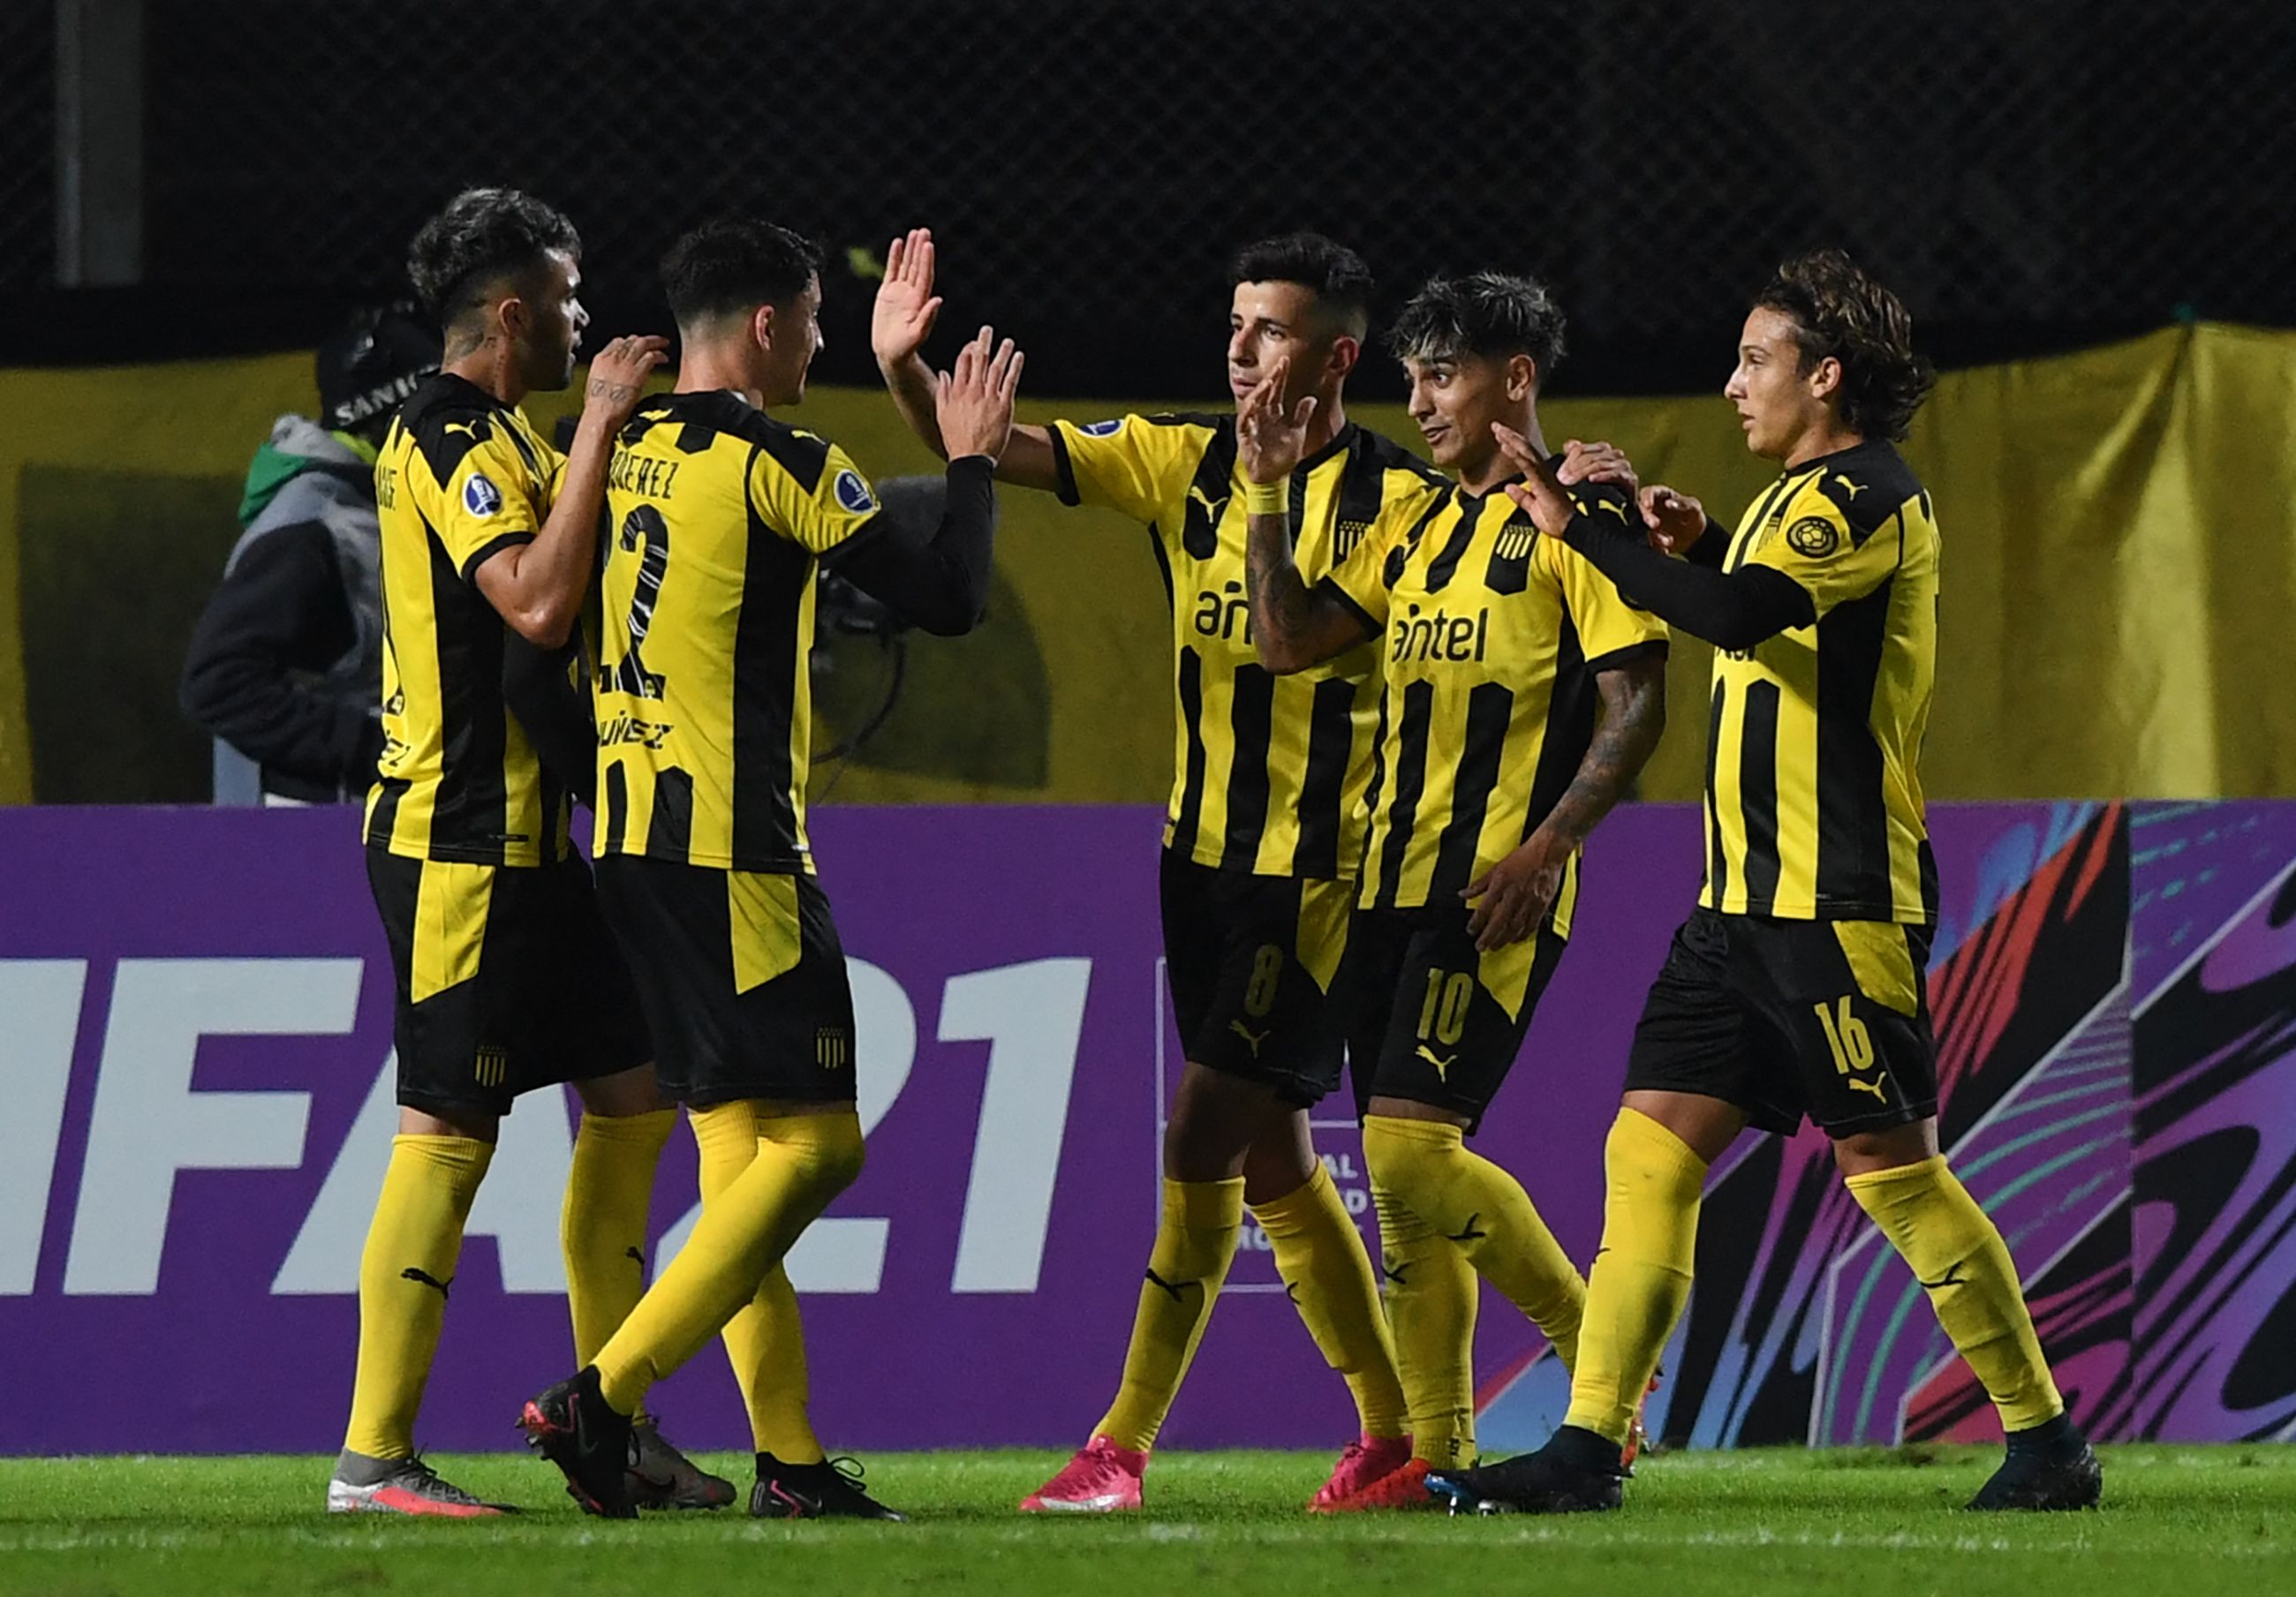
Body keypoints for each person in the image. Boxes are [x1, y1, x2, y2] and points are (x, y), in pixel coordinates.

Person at [1428, 250, 2102, 1515]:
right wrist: (1686, 538)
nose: (1735, 383)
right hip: (1740, 911)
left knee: (1895, 1174)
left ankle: (2047, 1439)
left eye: (1756, 359)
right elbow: (1753, 603)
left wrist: (1590, 530)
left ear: (1825, 375)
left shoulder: (1858, 494)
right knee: (1649, 1151)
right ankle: (1588, 1447)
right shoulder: (1804, 503)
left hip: (1835, 904)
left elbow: (1736, 620)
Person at [874, 229, 1435, 1513]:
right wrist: (910, 373)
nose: (1240, 350)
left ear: (1339, 355)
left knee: (1200, 1139)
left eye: (1273, 331)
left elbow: (1291, 642)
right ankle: (1392, 1432)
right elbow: (982, 452)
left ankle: (1119, 1446)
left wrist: (1277, 492)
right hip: (1202, 863)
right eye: (1234, 324)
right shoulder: (1180, 455)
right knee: (1280, 1159)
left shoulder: (1393, 507)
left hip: (1317, 878)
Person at [516, 219, 1018, 1521]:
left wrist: (619, 780)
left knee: (744, 1170)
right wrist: (968, 461)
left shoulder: (608, 453)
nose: (816, 340)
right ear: (759, 330)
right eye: (808, 317)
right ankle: (602, 1397)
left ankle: (789, 1463)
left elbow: (531, 666)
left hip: (630, 847)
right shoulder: (781, 458)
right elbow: (951, 598)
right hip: (735, 860)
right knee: (825, 1149)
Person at [1238, 273, 1668, 1507]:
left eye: (1444, 375)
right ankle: (1439, 1452)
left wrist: (1546, 850)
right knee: (1407, 1202)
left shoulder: (1575, 512)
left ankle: (1609, 1377)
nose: (1420, 402)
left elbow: (1636, 701)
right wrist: (1266, 490)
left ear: (1515, 379)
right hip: (1385, 884)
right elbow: (1283, 638)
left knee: (1413, 1158)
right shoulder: (1418, 527)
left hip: (1494, 887)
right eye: (1413, 378)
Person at [329, 188, 727, 1517]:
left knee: (631, 1102)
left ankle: (609, 1420)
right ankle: (374, 1459)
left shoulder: (494, 431)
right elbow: (539, 600)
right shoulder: (445, 434)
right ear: (510, 312)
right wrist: (604, 422)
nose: (582, 318)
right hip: (459, 847)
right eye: (564, 298)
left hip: (532, 848)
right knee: (445, 1130)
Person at [182, 301, 439, 804]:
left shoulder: (375, 504)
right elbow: (215, 683)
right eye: (438, 405)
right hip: (308, 838)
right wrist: (376, 751)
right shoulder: (314, 527)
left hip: (363, 824)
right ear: (389, 413)